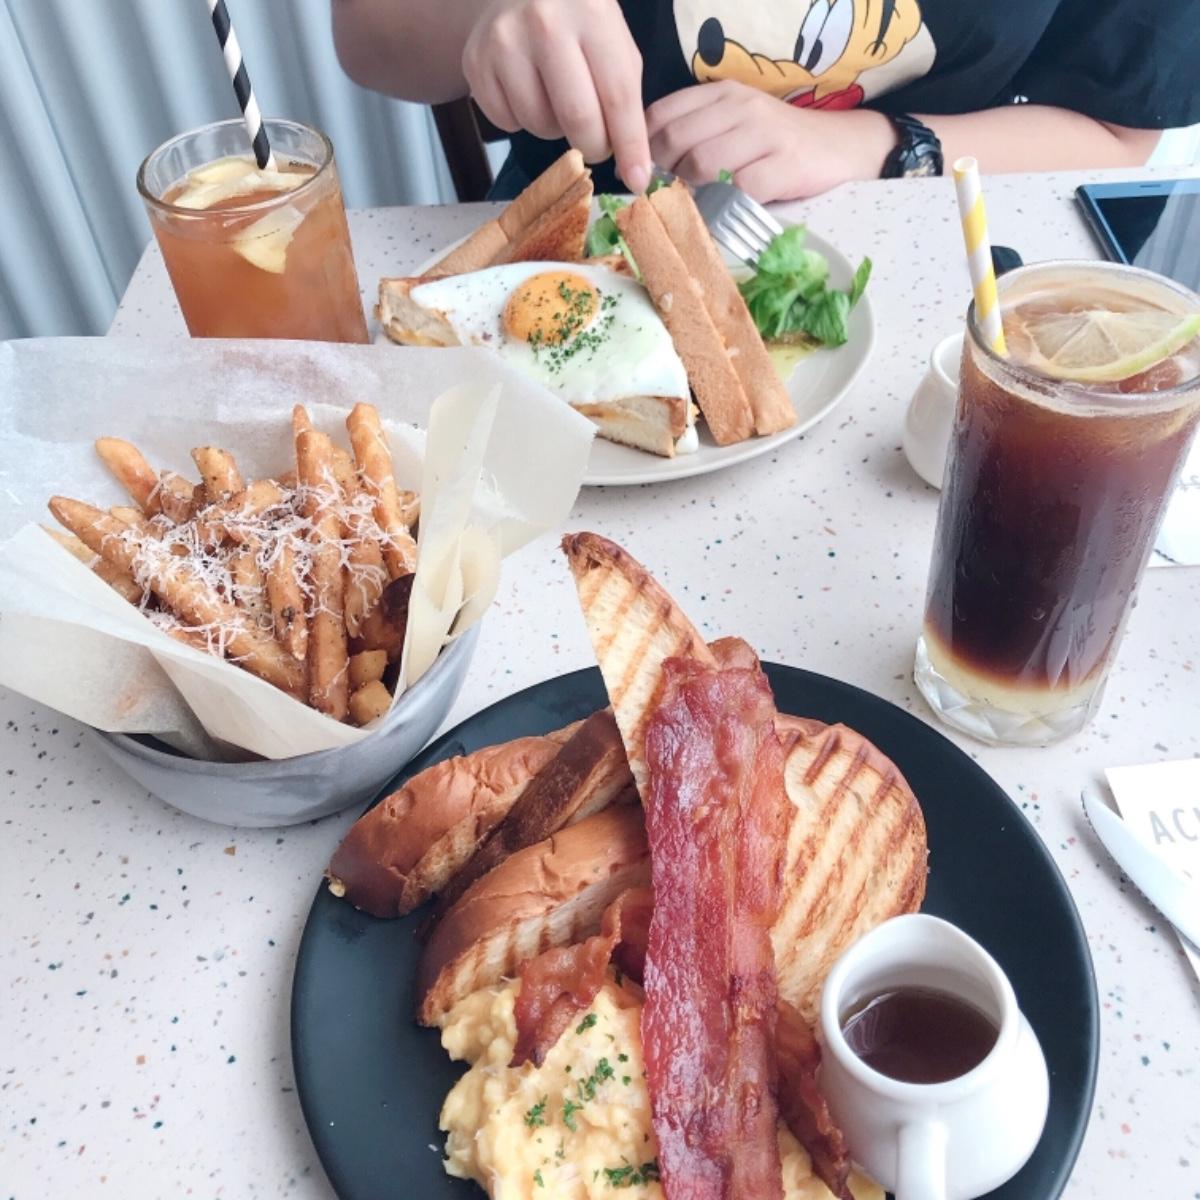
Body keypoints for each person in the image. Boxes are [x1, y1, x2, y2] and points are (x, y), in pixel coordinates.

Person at [332, 0, 1200, 201]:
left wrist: (866, 144)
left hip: (932, 266)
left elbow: (1118, 129)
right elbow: (366, 33)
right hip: (566, 244)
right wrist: (487, 12)